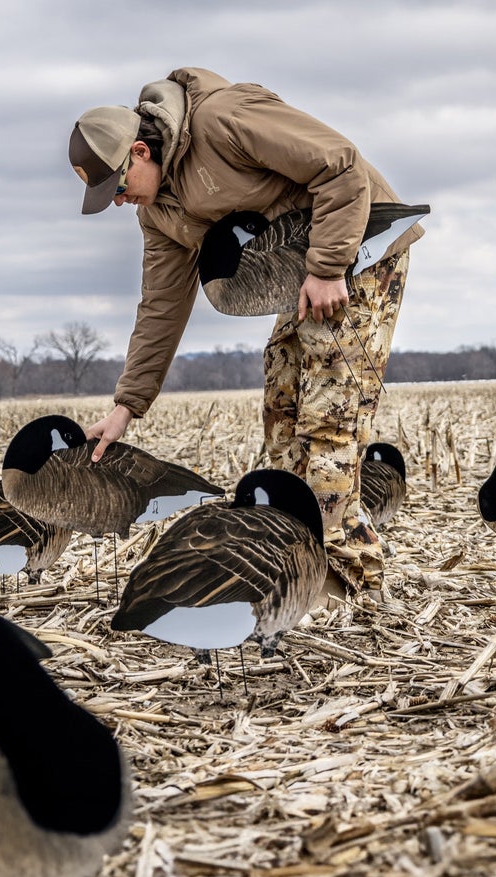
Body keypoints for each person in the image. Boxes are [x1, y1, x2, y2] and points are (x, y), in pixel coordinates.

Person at [68, 66, 422, 590]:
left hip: (356, 250)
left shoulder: (222, 119)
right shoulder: (157, 212)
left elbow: (340, 165)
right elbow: (161, 306)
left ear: (139, 153)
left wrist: (327, 268)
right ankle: (298, 565)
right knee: (282, 405)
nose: (119, 201)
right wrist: (127, 405)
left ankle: (352, 583)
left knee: (329, 419)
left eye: (116, 187)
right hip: (298, 268)